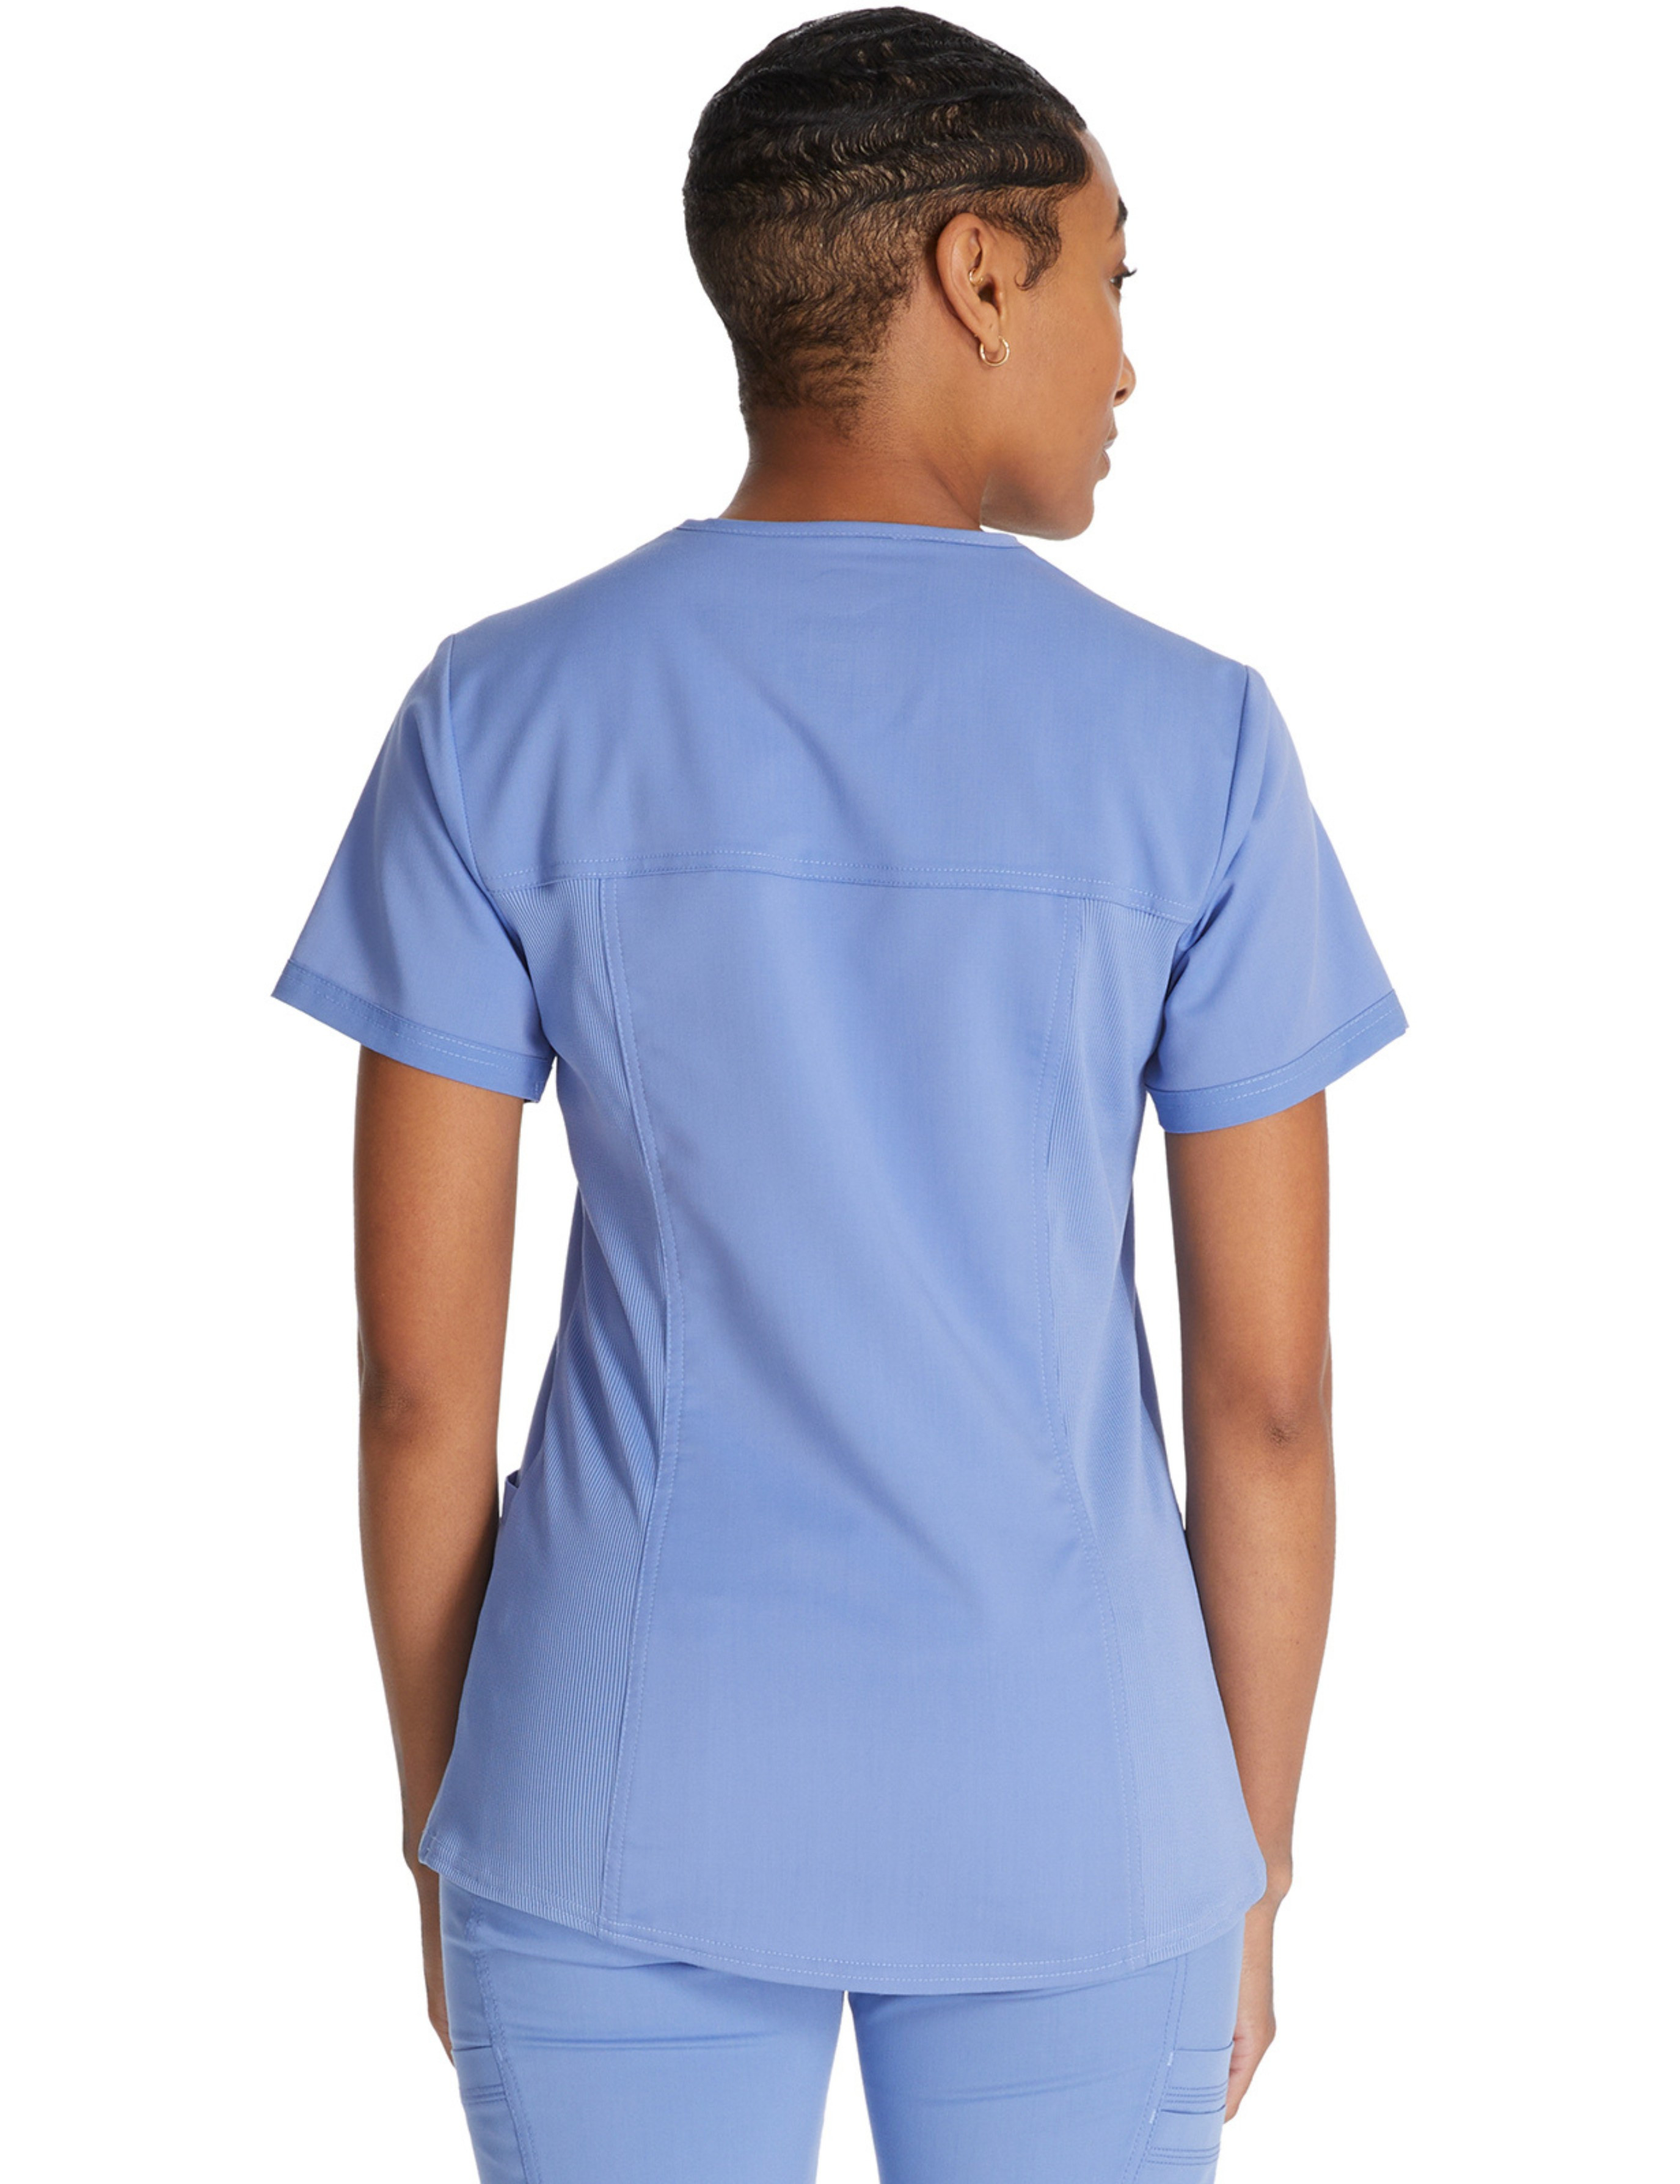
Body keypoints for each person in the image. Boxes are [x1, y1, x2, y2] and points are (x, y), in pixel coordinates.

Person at [272, 10, 1406, 2180]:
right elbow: (1270, 1406)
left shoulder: (499, 714)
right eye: (1111, 280)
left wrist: (448, 1833)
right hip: (1086, 1814)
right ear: (977, 273)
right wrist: (1247, 1865)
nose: (1129, 361)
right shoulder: (1199, 746)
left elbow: (419, 1393)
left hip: (608, 1794)